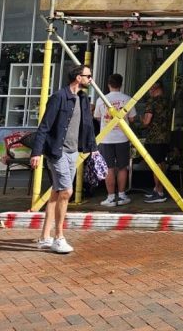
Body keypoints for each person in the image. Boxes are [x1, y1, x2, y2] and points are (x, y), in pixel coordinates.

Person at [30, 64, 96, 254]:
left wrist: (93, 148)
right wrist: (36, 152)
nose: (90, 79)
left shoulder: (83, 98)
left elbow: (88, 125)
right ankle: (59, 237)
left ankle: (45, 236)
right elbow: (44, 126)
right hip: (57, 152)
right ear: (78, 77)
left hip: (73, 152)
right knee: (67, 191)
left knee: (57, 192)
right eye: (88, 76)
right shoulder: (59, 97)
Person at [92, 73, 136, 207]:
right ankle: (122, 195)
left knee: (109, 168)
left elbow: (97, 117)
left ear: (108, 85)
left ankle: (110, 197)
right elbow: (132, 118)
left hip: (106, 138)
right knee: (122, 167)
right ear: (121, 84)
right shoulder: (127, 99)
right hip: (123, 138)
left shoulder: (101, 99)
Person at [141, 81, 171, 204]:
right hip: (165, 137)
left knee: (156, 165)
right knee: (162, 163)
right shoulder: (167, 101)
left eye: (150, 88)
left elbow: (146, 121)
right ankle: (159, 189)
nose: (149, 91)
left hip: (154, 138)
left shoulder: (152, 102)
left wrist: (141, 119)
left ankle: (159, 192)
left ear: (155, 88)